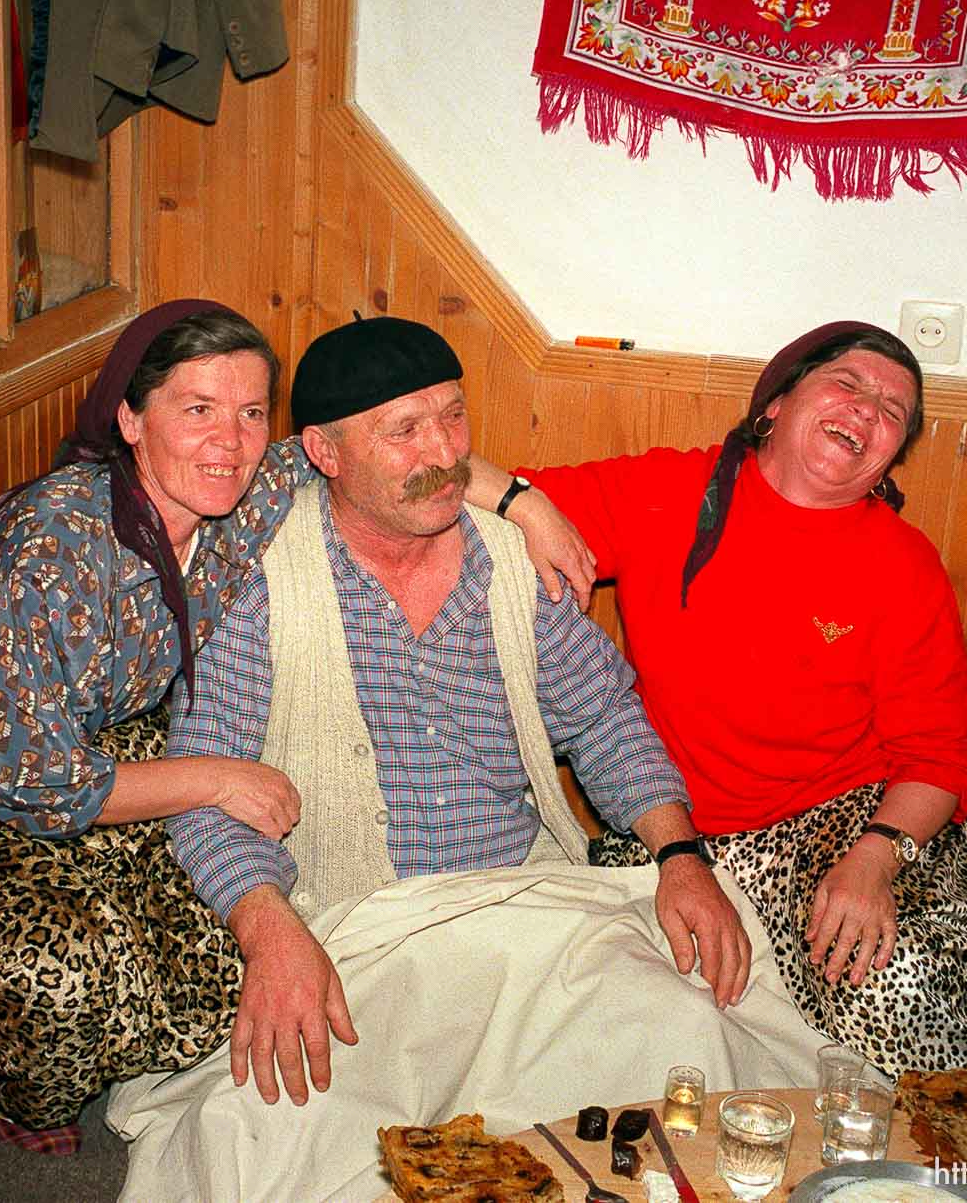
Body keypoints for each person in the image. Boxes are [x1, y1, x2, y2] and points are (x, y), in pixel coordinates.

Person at [0, 300, 585, 1148]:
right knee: (69, 978)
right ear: (130, 417)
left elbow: (407, 457)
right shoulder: (47, 546)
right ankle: (22, 1110)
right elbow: (34, 783)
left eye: (251, 413)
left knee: (236, 951)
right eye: (197, 410)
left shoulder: (245, 490)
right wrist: (219, 776)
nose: (228, 442)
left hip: (114, 762)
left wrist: (527, 504)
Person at [482, 319, 967, 1092]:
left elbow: (937, 754)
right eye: (849, 385)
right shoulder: (669, 491)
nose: (868, 411)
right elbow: (448, 479)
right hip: (681, 825)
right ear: (776, 405)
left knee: (885, 988)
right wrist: (525, 503)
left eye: (892, 412)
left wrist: (872, 862)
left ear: (891, 455)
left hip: (855, 816)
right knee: (624, 1013)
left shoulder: (902, 564)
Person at [164, 316, 750, 1108]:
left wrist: (682, 859)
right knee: (308, 1134)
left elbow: (605, 721)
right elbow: (204, 792)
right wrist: (271, 934)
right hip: (357, 925)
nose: (443, 455)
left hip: (525, 902)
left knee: (684, 1046)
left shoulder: (510, 556)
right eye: (404, 430)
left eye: (453, 417)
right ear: (324, 454)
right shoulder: (261, 576)